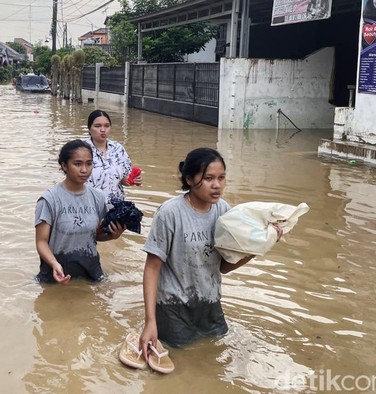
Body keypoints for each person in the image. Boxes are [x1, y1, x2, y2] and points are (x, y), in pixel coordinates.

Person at [138, 148, 282, 356]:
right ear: (189, 179)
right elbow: (152, 268)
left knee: (213, 359)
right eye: (208, 178)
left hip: (209, 304)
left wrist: (258, 247)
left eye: (221, 178)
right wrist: (150, 322)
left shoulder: (224, 211)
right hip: (173, 308)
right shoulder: (170, 213)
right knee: (181, 366)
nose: (217, 185)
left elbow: (223, 266)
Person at [35, 140, 126, 284]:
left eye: (89, 163)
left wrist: (113, 235)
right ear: (64, 166)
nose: (84, 170)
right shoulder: (49, 200)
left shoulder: (98, 197)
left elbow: (94, 234)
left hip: (91, 272)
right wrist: (54, 264)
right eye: (77, 164)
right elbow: (41, 242)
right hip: (56, 274)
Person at [84, 110, 142, 204]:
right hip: (89, 206)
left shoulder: (118, 149)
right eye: (97, 126)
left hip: (116, 208)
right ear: (89, 128)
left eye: (106, 126)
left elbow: (122, 180)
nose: (103, 130)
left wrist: (131, 180)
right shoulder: (81, 150)